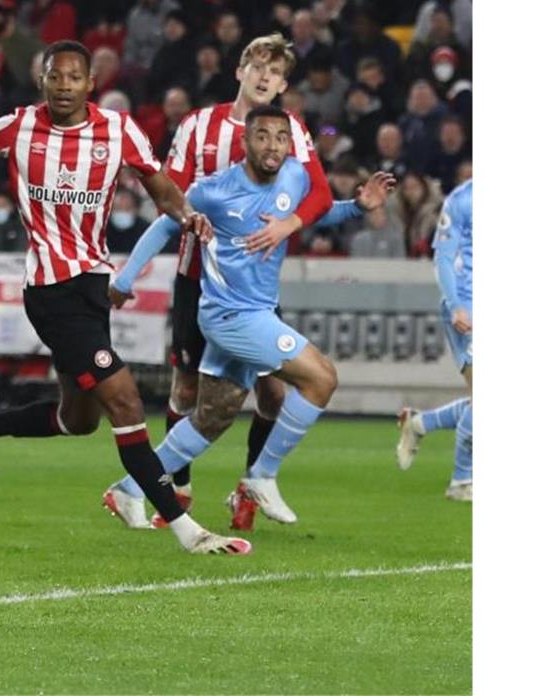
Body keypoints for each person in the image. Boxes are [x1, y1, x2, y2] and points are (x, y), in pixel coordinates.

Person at [0, 40, 251, 556]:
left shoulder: (117, 130)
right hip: (50, 290)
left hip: (92, 287)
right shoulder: (19, 126)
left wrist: (187, 215)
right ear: (41, 80)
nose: (63, 85)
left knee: (79, 420)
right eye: (54, 76)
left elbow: (161, 188)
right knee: (126, 401)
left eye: (73, 77)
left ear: (91, 85)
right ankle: (188, 530)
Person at [111, 106, 395, 527]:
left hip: (254, 311)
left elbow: (317, 212)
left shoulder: (295, 175)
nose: (273, 146)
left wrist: (356, 206)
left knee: (212, 418)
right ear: (245, 142)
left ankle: (128, 489)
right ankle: (260, 476)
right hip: (231, 317)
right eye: (262, 136)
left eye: (281, 137)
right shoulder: (214, 190)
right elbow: (166, 225)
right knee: (322, 377)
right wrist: (126, 277)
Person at [102, 32, 333, 532]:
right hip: (196, 278)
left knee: (270, 394)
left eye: (276, 71)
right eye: (258, 66)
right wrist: (185, 219)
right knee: (191, 393)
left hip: (252, 287)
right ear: (240, 70)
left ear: (283, 84)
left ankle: (250, 486)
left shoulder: (288, 130)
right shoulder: (198, 125)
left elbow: (319, 194)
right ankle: (175, 490)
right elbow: (171, 197)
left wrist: (291, 224)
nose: (265, 76)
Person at [396, 179, 472, 502]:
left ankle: (419, 423)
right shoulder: (464, 199)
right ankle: (461, 481)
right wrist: (455, 304)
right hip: (468, 305)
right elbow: (442, 257)